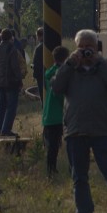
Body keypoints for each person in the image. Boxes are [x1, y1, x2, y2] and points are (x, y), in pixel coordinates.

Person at [51, 29, 107, 213]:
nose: (85, 51)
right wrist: (69, 63)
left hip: (102, 130)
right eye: (81, 47)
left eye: (88, 47)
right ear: (75, 48)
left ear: (96, 48)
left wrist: (100, 63)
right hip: (76, 129)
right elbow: (56, 88)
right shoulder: (70, 69)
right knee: (79, 176)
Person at [0, 28, 26, 136]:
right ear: (11, 38)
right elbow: (15, 68)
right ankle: (5, 130)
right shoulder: (12, 49)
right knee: (11, 107)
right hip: (11, 82)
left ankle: (0, 129)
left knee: (1, 107)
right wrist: (20, 80)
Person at [41, 45, 70, 178]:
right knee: (54, 146)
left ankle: (51, 168)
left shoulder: (49, 71)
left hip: (48, 115)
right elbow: (61, 96)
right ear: (66, 58)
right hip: (57, 115)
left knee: (51, 145)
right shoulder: (61, 74)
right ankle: (51, 170)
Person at [32, 27, 44, 102]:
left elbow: (36, 62)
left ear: (39, 36)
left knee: (43, 95)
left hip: (41, 75)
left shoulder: (39, 48)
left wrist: (35, 75)